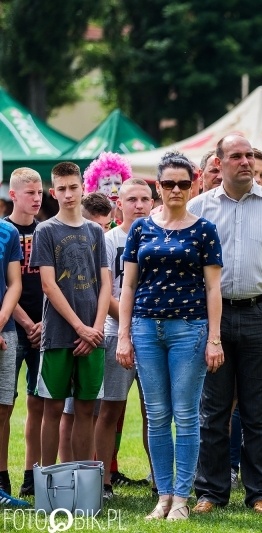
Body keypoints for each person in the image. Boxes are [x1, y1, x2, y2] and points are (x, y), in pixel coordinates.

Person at [190, 134, 262, 516]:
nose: (245, 161)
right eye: (236, 156)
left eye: (249, 155)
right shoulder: (197, 207)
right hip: (213, 318)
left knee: (259, 409)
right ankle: (210, 492)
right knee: (213, 409)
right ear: (218, 163)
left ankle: (261, 493)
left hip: (261, 313)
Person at [116, 152, 223, 521]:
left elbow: (213, 289)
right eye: (167, 184)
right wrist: (123, 336)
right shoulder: (141, 228)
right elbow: (128, 285)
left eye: (182, 183)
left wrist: (215, 338)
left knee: (187, 414)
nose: (175, 190)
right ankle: (162, 496)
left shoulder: (204, 229)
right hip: (145, 329)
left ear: (193, 184)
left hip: (189, 331)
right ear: (157, 187)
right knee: (157, 414)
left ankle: (181, 497)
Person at [31, 162, 111, 466]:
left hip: (93, 335)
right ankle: (48, 480)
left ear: (83, 188)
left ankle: (83, 480)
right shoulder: (46, 230)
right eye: (61, 189)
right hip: (60, 334)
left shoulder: (95, 231)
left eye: (73, 187)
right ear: (54, 192)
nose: (68, 194)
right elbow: (49, 286)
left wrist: (96, 329)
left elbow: (105, 284)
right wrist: (81, 329)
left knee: (87, 409)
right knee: (52, 408)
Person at [96, 178, 154, 501]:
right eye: (132, 199)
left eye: (145, 199)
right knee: (109, 410)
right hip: (115, 332)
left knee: (154, 412)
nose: (139, 205)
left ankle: (159, 479)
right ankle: (103, 481)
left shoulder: (161, 236)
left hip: (152, 337)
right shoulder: (108, 240)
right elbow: (106, 292)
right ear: (119, 202)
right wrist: (130, 327)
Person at [6, 168, 44, 498]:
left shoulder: (45, 232)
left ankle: (32, 477)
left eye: (40, 192)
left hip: (44, 328)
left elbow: (52, 283)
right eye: (30, 192)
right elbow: (6, 284)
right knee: (4, 403)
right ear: (13, 195)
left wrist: (42, 322)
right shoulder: (5, 232)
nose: (36, 198)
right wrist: (25, 322)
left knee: (39, 403)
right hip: (12, 325)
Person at [0, 177, 23, 499]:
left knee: (4, 407)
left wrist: (2, 318)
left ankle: (1, 482)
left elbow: (14, 283)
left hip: (6, 331)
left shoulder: (9, 233)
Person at [83, 152, 133, 225]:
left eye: (118, 183)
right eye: (107, 184)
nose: (114, 190)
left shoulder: (122, 226)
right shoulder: (88, 224)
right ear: (95, 189)